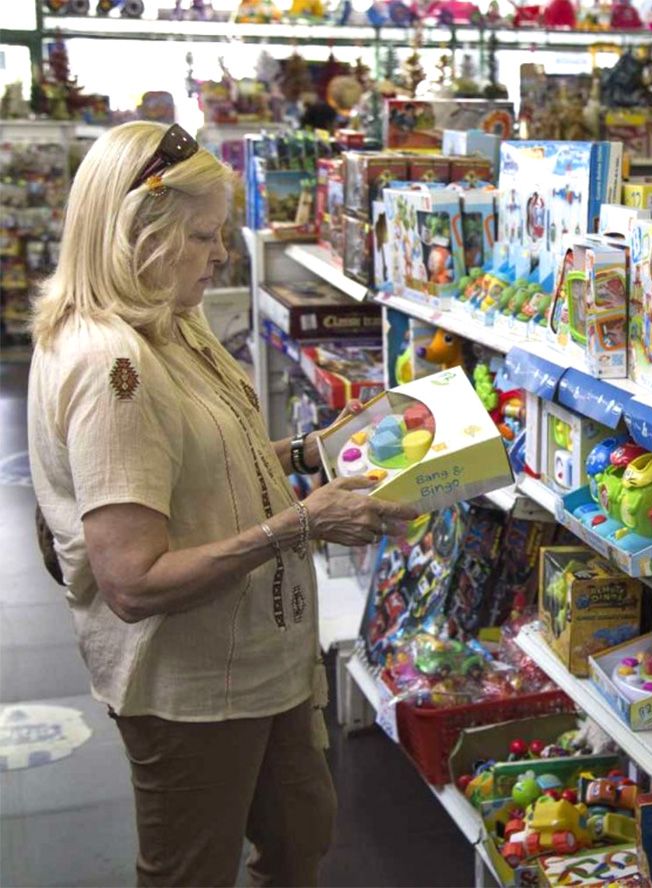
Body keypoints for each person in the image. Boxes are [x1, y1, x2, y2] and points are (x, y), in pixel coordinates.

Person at [27, 121, 414, 887]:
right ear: (139, 234)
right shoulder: (115, 369)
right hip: (192, 686)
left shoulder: (168, 322)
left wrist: (309, 452)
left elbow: (202, 471)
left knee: (299, 831)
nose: (221, 255)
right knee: (192, 868)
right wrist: (305, 520)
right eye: (203, 236)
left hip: (259, 661)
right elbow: (134, 580)